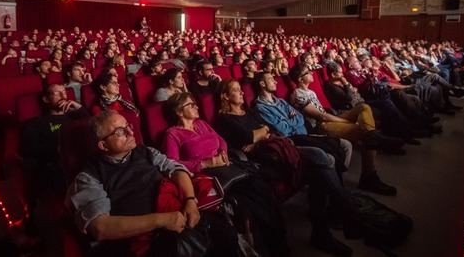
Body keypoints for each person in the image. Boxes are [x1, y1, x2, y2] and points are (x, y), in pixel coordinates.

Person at [217, 79, 360, 256]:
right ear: (225, 96)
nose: (242, 93)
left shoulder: (249, 112)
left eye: (241, 89)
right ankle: (346, 213)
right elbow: (248, 135)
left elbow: (266, 129)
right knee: (322, 159)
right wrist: (259, 135)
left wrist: (258, 137)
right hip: (265, 161)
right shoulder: (224, 119)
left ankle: (324, 230)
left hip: (280, 149)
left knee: (322, 166)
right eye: (236, 90)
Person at [66, 110, 232, 257]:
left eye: (128, 126)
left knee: (224, 232)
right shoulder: (89, 176)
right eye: (120, 131)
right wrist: (162, 220)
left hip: (180, 213)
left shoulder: (146, 152)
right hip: (146, 238)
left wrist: (190, 200)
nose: (131, 132)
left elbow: (177, 170)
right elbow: (100, 227)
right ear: (103, 145)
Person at [162, 92, 290, 257]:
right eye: (191, 105)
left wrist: (223, 152)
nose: (197, 107)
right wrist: (204, 163)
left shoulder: (201, 124)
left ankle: (279, 245)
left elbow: (220, 139)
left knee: (264, 191)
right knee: (251, 202)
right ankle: (270, 248)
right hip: (208, 175)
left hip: (229, 168)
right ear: (179, 111)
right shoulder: (172, 134)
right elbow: (173, 164)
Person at [288, 64, 401, 195]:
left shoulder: (310, 92)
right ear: (301, 79)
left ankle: (372, 134)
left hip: (332, 117)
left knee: (363, 107)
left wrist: (341, 117)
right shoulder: (297, 95)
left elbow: (324, 111)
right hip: (322, 126)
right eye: (307, 72)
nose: (312, 73)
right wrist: (346, 121)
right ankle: (369, 176)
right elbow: (321, 116)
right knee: (363, 132)